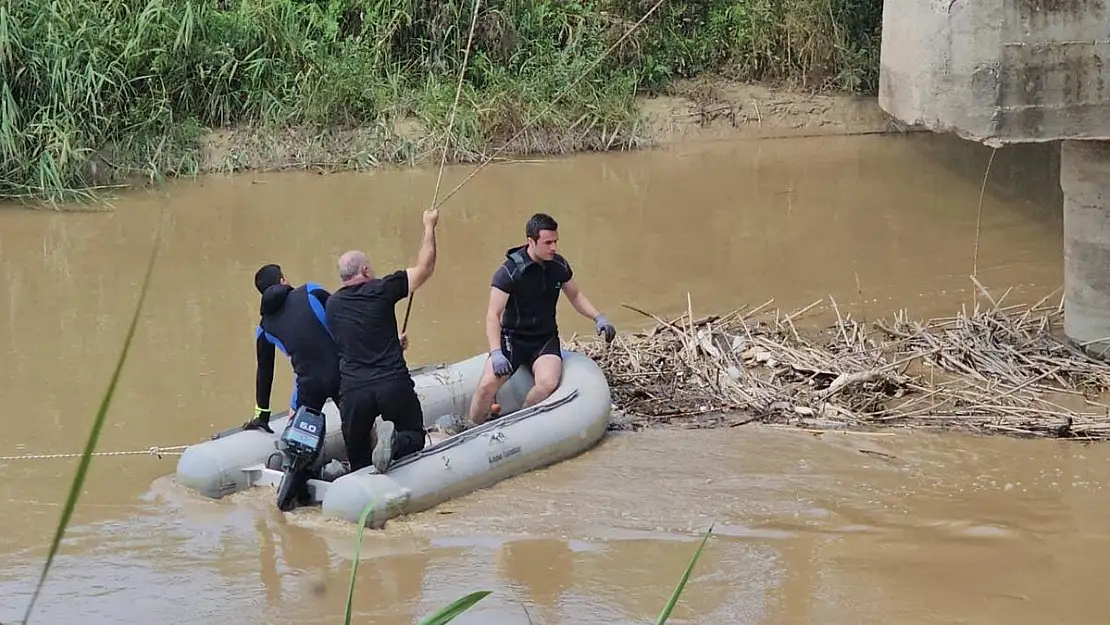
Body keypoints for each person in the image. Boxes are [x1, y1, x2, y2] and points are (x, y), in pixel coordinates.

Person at [467, 212, 616, 427]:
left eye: (555, 242)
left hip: (544, 339)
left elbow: (575, 295)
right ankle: (472, 427)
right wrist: (496, 352)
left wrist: (598, 317)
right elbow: (493, 314)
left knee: (547, 383)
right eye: (548, 243)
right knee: (487, 385)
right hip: (513, 338)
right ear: (531, 241)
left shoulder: (558, 266)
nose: (553, 248)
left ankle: (518, 421)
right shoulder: (509, 272)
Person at [325, 207, 440, 473]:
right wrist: (429, 227)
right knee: (414, 435)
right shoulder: (381, 289)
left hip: (354, 392)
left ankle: (352, 480)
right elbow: (426, 268)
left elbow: (355, 337)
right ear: (365, 270)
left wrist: (390, 342)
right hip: (391, 384)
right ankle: (396, 442)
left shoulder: (333, 304)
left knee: (358, 457)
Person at [245, 264, 341, 434]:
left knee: (295, 433)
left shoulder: (264, 328)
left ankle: (296, 456)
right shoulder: (311, 291)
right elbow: (346, 317)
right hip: (344, 372)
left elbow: (265, 372)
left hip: (309, 386)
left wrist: (262, 415)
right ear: (282, 280)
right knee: (361, 425)